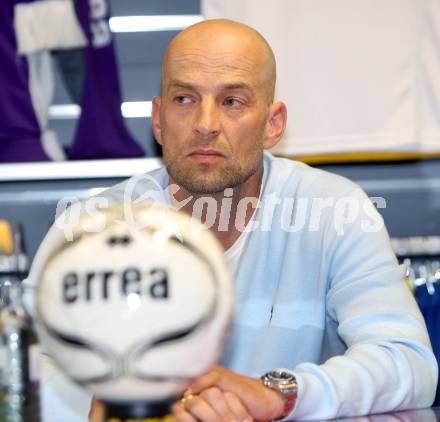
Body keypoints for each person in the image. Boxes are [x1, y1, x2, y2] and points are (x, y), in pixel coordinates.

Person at [88, 19, 437, 421]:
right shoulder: (95, 226)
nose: (205, 124)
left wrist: (279, 395)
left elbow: (408, 361)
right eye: (184, 99)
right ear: (158, 119)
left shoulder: (336, 211)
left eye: (232, 101)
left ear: (273, 124)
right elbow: (28, 364)